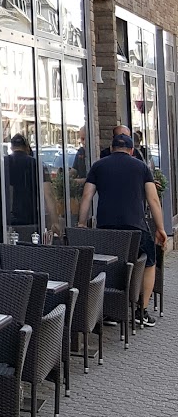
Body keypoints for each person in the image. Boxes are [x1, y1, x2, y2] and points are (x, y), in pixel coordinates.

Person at [78, 125, 166, 325]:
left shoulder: (98, 166)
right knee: (149, 263)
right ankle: (141, 311)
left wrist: (82, 224)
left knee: (107, 265)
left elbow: (86, 196)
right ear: (132, 150)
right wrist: (160, 228)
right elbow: (153, 200)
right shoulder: (141, 167)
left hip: (106, 230)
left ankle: (109, 312)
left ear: (111, 149)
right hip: (135, 229)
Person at [4, 132, 39, 237]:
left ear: (11, 147)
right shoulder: (34, 163)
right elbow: (48, 193)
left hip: (7, 219)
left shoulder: (2, 164)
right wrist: (54, 220)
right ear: (26, 147)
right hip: (30, 219)